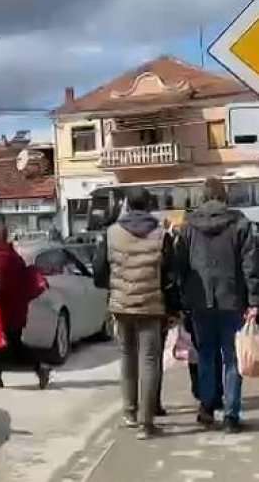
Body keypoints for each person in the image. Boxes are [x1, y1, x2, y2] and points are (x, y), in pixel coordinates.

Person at [93, 187, 178, 440]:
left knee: (127, 357)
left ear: (127, 206)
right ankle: (146, 423)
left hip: (121, 305)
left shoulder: (111, 233)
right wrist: (172, 307)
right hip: (152, 305)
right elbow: (171, 275)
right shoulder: (161, 234)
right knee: (149, 360)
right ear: (149, 206)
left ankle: (129, 413)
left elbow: (99, 270)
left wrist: (114, 286)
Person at [175, 177, 259, 434]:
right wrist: (254, 302)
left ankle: (208, 408)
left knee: (207, 355)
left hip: (200, 302)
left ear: (202, 196)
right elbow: (251, 266)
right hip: (233, 300)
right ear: (224, 197)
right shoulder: (240, 223)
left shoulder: (188, 226)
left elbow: (180, 266)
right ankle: (231, 416)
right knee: (233, 359)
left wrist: (182, 299)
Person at [0, 223, 51, 390]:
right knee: (7, 343)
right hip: (17, 307)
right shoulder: (14, 255)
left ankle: (39, 368)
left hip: (1, 308)